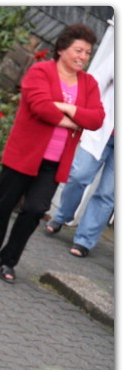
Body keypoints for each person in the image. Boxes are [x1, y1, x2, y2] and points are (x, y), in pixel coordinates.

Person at [0, 23, 105, 283]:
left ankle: (8, 260)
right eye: (78, 50)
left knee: (35, 210)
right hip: (24, 154)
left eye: (88, 53)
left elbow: (97, 118)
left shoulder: (88, 84)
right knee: (3, 205)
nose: (83, 57)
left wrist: (66, 108)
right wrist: (73, 121)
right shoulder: (40, 71)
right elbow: (40, 107)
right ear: (62, 49)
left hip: (54, 163)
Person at [45, 21, 114, 258]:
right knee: (79, 175)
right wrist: (86, 113)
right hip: (101, 128)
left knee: (108, 193)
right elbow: (97, 82)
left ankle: (84, 240)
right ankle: (62, 216)